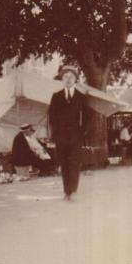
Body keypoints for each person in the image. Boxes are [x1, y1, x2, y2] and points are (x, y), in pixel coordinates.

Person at [47, 65, 86, 201]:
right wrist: (55, 134)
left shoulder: (81, 97)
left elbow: (87, 117)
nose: (68, 79)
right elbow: (51, 117)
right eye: (65, 77)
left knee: (74, 163)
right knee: (64, 163)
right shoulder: (56, 96)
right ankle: (67, 192)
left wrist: (82, 133)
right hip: (61, 137)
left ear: (75, 79)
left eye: (71, 77)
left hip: (76, 137)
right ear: (61, 79)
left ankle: (74, 191)